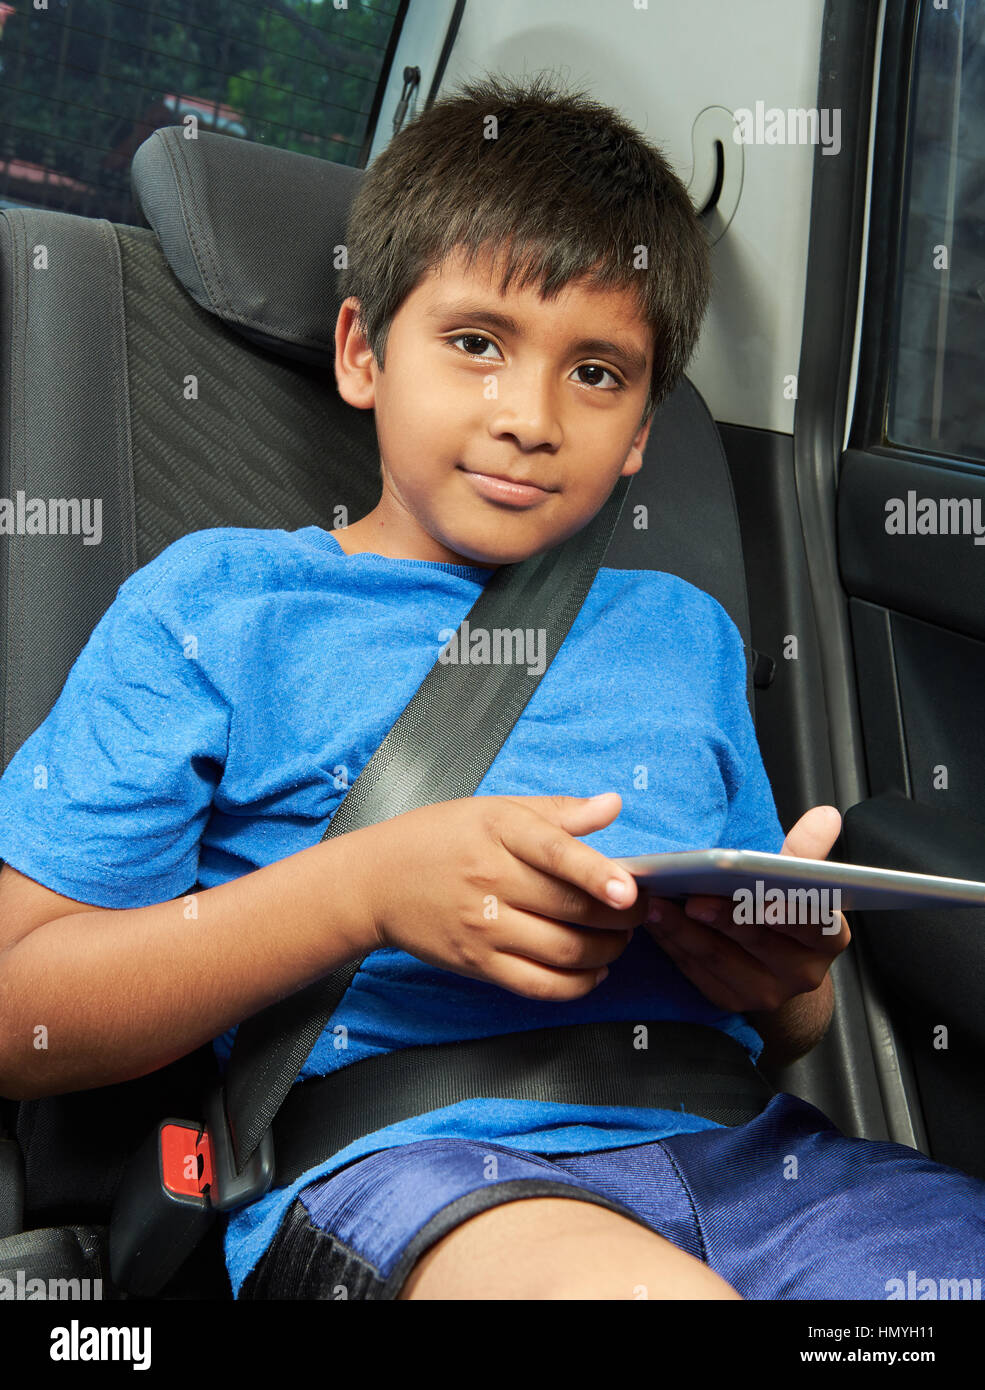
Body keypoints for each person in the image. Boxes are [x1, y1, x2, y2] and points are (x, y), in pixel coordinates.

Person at [1, 72, 983, 1303]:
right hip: (411, 1167)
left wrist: (784, 980)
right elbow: (17, 1005)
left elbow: (786, 1033)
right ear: (363, 351)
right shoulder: (219, 607)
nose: (528, 415)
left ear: (640, 431)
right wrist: (362, 891)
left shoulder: (685, 632)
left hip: (748, 1156)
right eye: (476, 344)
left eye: (596, 373)